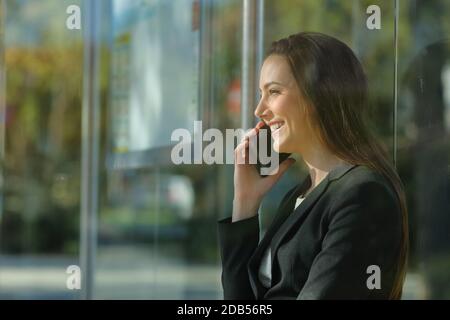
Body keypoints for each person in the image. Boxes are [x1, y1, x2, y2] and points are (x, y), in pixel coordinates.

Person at [217, 32, 408, 300]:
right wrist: (245, 203)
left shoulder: (362, 193)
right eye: (261, 94)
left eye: (273, 92)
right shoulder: (299, 196)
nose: (259, 110)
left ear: (318, 97)